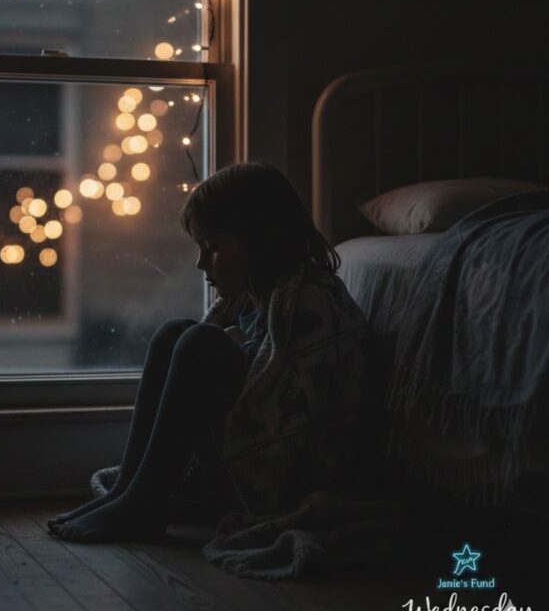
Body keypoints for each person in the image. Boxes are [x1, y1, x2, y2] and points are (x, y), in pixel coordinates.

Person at [47, 162, 381, 542]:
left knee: (200, 343)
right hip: (241, 456)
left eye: (214, 247)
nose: (202, 262)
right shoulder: (253, 301)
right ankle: (131, 487)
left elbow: (302, 419)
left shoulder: (313, 302)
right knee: (176, 332)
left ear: (260, 241)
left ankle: (143, 502)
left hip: (284, 476)